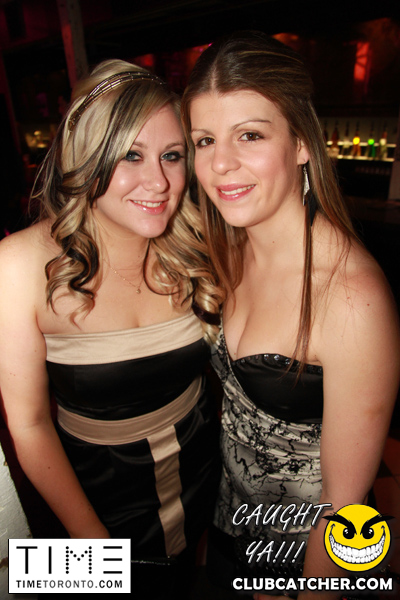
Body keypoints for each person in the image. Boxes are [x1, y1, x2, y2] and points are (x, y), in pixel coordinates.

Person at [181, 31, 400, 598]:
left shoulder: (350, 297)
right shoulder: (229, 249)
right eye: (204, 140)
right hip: (228, 531)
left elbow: (346, 510)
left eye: (250, 135)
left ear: (302, 142)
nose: (220, 163)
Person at [0, 59, 223, 599]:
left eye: (173, 155)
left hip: (200, 469)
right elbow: (29, 424)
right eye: (131, 155)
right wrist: (92, 545)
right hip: (89, 495)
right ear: (87, 158)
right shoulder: (17, 265)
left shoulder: (196, 246)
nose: (159, 182)